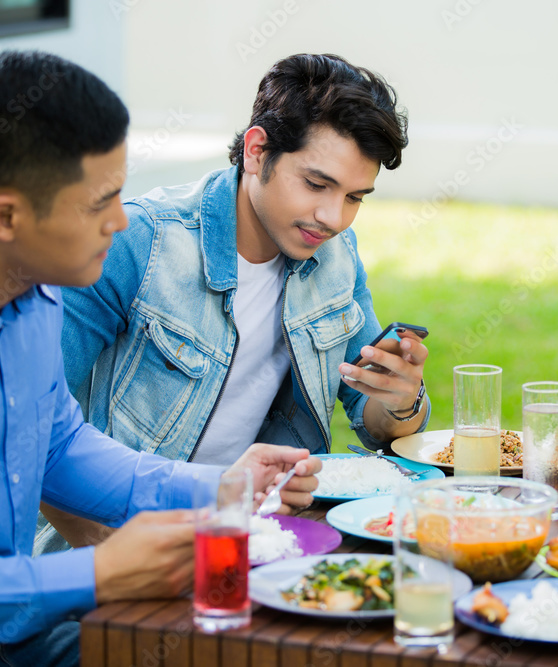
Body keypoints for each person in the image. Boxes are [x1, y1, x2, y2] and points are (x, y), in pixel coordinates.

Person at [0, 51, 320, 665]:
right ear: (6, 216)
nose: (120, 222)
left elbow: (59, 446)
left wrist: (221, 488)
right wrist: (97, 574)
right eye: (101, 204)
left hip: (20, 637)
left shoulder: (32, 292)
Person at [35, 53, 430, 553]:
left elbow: (370, 417)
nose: (333, 217)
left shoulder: (334, 256)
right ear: (257, 151)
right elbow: (31, 429)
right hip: (125, 543)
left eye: (355, 197)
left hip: (263, 537)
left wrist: (400, 399)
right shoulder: (138, 244)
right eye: (316, 184)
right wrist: (113, 561)